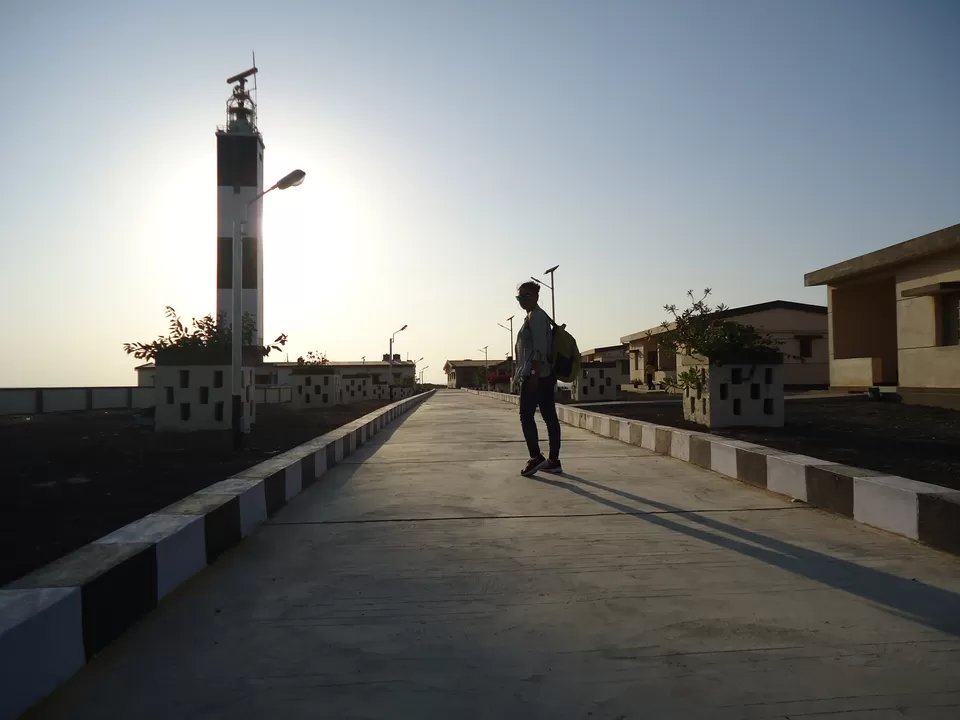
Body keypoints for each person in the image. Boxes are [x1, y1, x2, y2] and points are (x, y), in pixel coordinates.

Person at [513, 281, 562, 476]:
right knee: (549, 416)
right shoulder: (533, 317)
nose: (522, 300)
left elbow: (540, 350)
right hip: (544, 376)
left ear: (536, 297)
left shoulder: (536, 317)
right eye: (519, 297)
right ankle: (553, 460)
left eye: (526, 296)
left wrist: (533, 375)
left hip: (537, 376)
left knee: (526, 416)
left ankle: (536, 457)